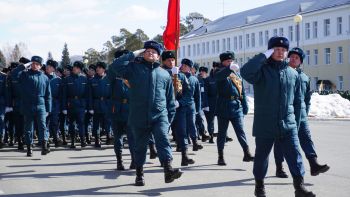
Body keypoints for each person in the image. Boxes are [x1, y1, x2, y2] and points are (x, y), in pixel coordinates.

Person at [241, 37, 315, 197]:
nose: (280, 53)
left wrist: (294, 123)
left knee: (295, 155)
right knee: (261, 158)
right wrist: (263, 56)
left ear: (287, 53)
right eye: (276, 49)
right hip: (265, 124)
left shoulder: (293, 74)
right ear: (270, 51)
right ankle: (259, 186)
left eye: (283, 50)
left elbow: (297, 101)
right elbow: (245, 71)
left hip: (288, 125)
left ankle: (299, 187)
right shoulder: (261, 72)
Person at [109, 41, 182, 186]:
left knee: (163, 139)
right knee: (140, 147)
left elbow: (170, 100)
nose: (150, 53)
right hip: (139, 115)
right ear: (143, 53)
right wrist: (132, 54)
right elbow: (114, 67)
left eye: (154, 52)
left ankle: (168, 169)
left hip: (159, 115)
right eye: (147, 51)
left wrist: (168, 120)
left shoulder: (164, 74)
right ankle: (139, 174)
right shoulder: (133, 69)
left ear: (158, 56)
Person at [274, 47, 330, 178]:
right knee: (280, 142)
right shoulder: (282, 73)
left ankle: (314, 164)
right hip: (285, 114)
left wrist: (305, 112)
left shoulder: (305, 77)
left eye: (297, 58)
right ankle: (279, 167)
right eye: (291, 56)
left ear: (301, 61)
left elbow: (307, 98)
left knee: (306, 138)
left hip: (301, 114)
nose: (293, 59)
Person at [213, 51, 254, 166]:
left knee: (240, 131)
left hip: (236, 105)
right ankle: (220, 156)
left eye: (231, 61)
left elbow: (242, 92)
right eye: (227, 61)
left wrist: (245, 105)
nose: (230, 62)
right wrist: (229, 69)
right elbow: (218, 77)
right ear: (222, 62)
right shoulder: (219, 71)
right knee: (222, 133)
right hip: (223, 106)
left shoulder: (236, 74)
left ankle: (247, 153)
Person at [19, 56, 52, 156]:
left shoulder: (45, 77)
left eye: (37, 64)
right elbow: (14, 74)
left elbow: (48, 94)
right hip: (28, 105)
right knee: (28, 128)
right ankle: (29, 148)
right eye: (32, 63)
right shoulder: (24, 75)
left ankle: (44, 146)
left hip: (41, 105)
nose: (34, 65)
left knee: (42, 126)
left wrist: (48, 109)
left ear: (40, 66)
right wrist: (23, 66)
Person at [62, 61, 89, 149]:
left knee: (81, 123)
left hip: (81, 105)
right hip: (71, 104)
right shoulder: (67, 79)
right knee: (71, 124)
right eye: (74, 67)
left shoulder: (84, 79)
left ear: (80, 70)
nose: (74, 68)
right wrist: (64, 107)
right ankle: (72, 141)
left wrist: (87, 107)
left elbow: (87, 94)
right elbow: (64, 95)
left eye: (77, 68)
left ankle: (82, 140)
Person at [7, 58, 31, 150]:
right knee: (18, 123)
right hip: (17, 103)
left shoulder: (29, 74)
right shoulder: (14, 74)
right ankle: (20, 140)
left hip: (28, 102)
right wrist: (9, 105)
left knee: (28, 123)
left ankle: (28, 140)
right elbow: (9, 91)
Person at [88, 61, 112, 148]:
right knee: (96, 123)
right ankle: (97, 139)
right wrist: (90, 107)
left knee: (108, 121)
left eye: (100, 67)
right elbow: (90, 95)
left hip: (107, 103)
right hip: (96, 103)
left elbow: (112, 94)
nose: (97, 69)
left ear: (104, 69)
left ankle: (109, 136)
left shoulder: (109, 79)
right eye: (97, 67)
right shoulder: (92, 81)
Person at [45, 60, 63, 148]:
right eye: (47, 66)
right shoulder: (42, 77)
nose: (47, 67)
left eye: (50, 66)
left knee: (55, 122)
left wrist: (61, 106)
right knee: (45, 122)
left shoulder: (58, 80)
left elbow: (61, 94)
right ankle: (46, 140)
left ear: (54, 69)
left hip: (55, 104)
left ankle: (56, 138)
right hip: (45, 103)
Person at [203, 62, 219, 143]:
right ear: (213, 68)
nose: (217, 69)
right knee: (210, 121)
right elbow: (205, 93)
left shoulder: (222, 77)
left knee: (222, 120)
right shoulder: (208, 79)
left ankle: (223, 135)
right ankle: (211, 135)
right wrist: (206, 104)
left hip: (220, 102)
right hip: (211, 102)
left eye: (218, 67)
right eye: (215, 67)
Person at [84, 64, 96, 145]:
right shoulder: (85, 79)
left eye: (92, 70)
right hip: (85, 103)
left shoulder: (95, 80)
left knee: (92, 122)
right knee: (86, 121)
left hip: (94, 104)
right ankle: (87, 136)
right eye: (89, 70)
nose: (90, 71)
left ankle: (92, 135)